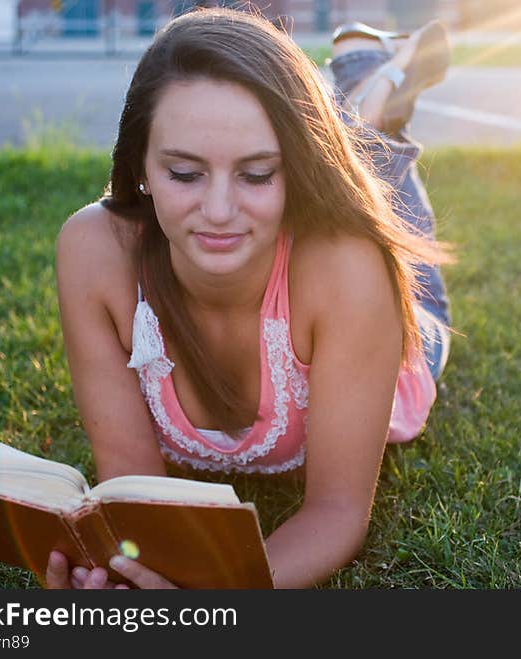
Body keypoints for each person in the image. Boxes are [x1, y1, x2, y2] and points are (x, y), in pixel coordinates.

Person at [46, 6, 452, 589]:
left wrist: (224, 597)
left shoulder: (349, 271)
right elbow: (132, 491)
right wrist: (128, 579)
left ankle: (371, 75)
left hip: (399, 329)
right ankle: (361, 87)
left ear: (295, 172)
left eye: (257, 174)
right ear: (139, 166)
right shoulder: (94, 251)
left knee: (379, 176)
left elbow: (336, 513)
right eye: (184, 173)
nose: (217, 211)